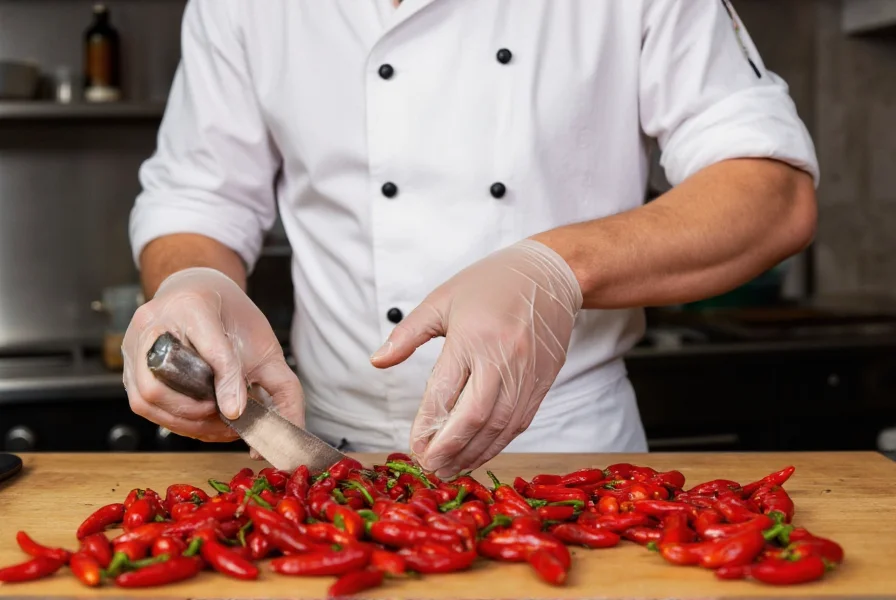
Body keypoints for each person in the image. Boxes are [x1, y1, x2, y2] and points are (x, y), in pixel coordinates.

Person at [123, 0, 819, 479]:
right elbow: (199, 196)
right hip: (322, 449)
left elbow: (771, 192)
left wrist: (556, 268)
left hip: (566, 457)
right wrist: (195, 283)